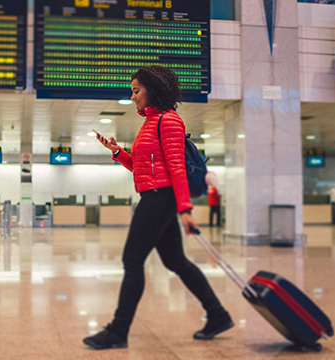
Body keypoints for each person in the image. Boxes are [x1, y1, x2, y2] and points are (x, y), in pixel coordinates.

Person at [83, 65, 233, 350]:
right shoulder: (149, 123)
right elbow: (142, 168)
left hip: (159, 198)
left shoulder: (169, 121)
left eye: (136, 90)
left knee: (132, 260)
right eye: (132, 91)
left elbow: (176, 167)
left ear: (153, 88)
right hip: (155, 194)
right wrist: (118, 152)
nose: (133, 96)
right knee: (176, 261)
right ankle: (218, 314)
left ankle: (118, 331)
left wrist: (186, 209)